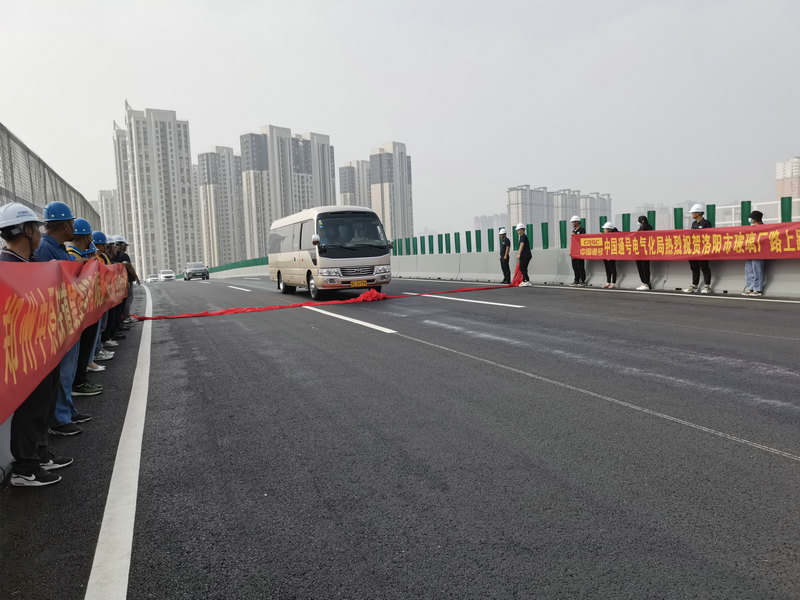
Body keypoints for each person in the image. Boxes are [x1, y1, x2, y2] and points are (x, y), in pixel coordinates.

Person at [0, 203, 73, 486]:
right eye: (37, 229)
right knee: (31, 408)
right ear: (28, 230)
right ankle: (25, 468)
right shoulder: (7, 266)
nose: (41, 235)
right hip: (24, 353)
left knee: (44, 402)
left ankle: (40, 455)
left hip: (43, 347)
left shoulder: (28, 264)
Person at [34, 201, 91, 436]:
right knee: (61, 371)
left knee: (67, 371)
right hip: (56, 321)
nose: (74, 228)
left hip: (68, 317)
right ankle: (60, 419)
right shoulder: (44, 249)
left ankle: (67, 410)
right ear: (66, 224)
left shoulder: (57, 247)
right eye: (72, 223)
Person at [66, 219, 103, 398]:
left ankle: (80, 379)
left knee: (85, 347)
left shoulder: (77, 255)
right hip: (77, 311)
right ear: (86, 236)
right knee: (79, 350)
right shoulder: (71, 256)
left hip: (85, 309)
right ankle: (78, 382)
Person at [684, 204, 713, 294]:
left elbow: (709, 236)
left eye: (693, 213)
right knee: (694, 267)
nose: (692, 215)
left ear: (699, 213)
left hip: (703, 250)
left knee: (704, 267)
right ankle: (694, 285)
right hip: (694, 250)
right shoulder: (694, 224)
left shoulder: (706, 223)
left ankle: (707, 286)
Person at [744, 210, 765, 297]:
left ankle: (757, 289)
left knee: (757, 269)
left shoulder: (763, 228)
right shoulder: (749, 228)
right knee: (749, 269)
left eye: (751, 218)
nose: (750, 219)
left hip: (758, 252)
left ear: (755, 219)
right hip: (749, 251)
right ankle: (750, 287)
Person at [635, 215, 653, 290]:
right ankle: (643, 282)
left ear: (643, 221)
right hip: (639, 251)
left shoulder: (649, 228)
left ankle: (647, 283)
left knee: (645, 267)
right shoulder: (640, 228)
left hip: (645, 251)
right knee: (640, 267)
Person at [569, 216, 586, 286]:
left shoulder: (582, 230)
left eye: (573, 222)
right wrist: (571, 251)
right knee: (575, 267)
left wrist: (575, 235)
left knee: (580, 266)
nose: (572, 223)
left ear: (577, 222)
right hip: (574, 251)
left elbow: (583, 239)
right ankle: (576, 280)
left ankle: (583, 280)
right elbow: (572, 242)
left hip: (580, 251)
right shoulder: (573, 231)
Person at [601, 221, 618, 288]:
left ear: (608, 229)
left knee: (612, 268)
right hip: (605, 253)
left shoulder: (614, 236)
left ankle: (613, 283)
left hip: (611, 254)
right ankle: (608, 282)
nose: (604, 230)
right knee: (607, 269)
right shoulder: (604, 236)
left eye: (605, 229)